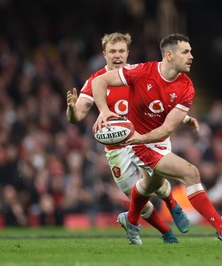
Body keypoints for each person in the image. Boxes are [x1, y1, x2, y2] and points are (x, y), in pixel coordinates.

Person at [92, 33, 222, 246]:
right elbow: (100, 80)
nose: (191, 56)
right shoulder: (142, 72)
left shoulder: (187, 86)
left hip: (157, 140)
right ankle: (221, 227)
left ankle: (131, 218)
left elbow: (167, 128)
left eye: (190, 51)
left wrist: (179, 122)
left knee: (148, 185)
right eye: (186, 52)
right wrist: (104, 111)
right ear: (170, 55)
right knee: (190, 173)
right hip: (141, 145)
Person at [66, 32, 196, 244]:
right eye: (112, 52)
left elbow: (161, 103)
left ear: (127, 53)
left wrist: (185, 118)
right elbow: (77, 115)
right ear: (104, 54)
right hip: (116, 149)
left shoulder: (137, 73)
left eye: (121, 51)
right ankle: (166, 232)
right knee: (139, 200)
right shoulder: (95, 81)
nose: (117, 56)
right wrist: (72, 110)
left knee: (155, 182)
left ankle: (172, 205)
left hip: (143, 138)